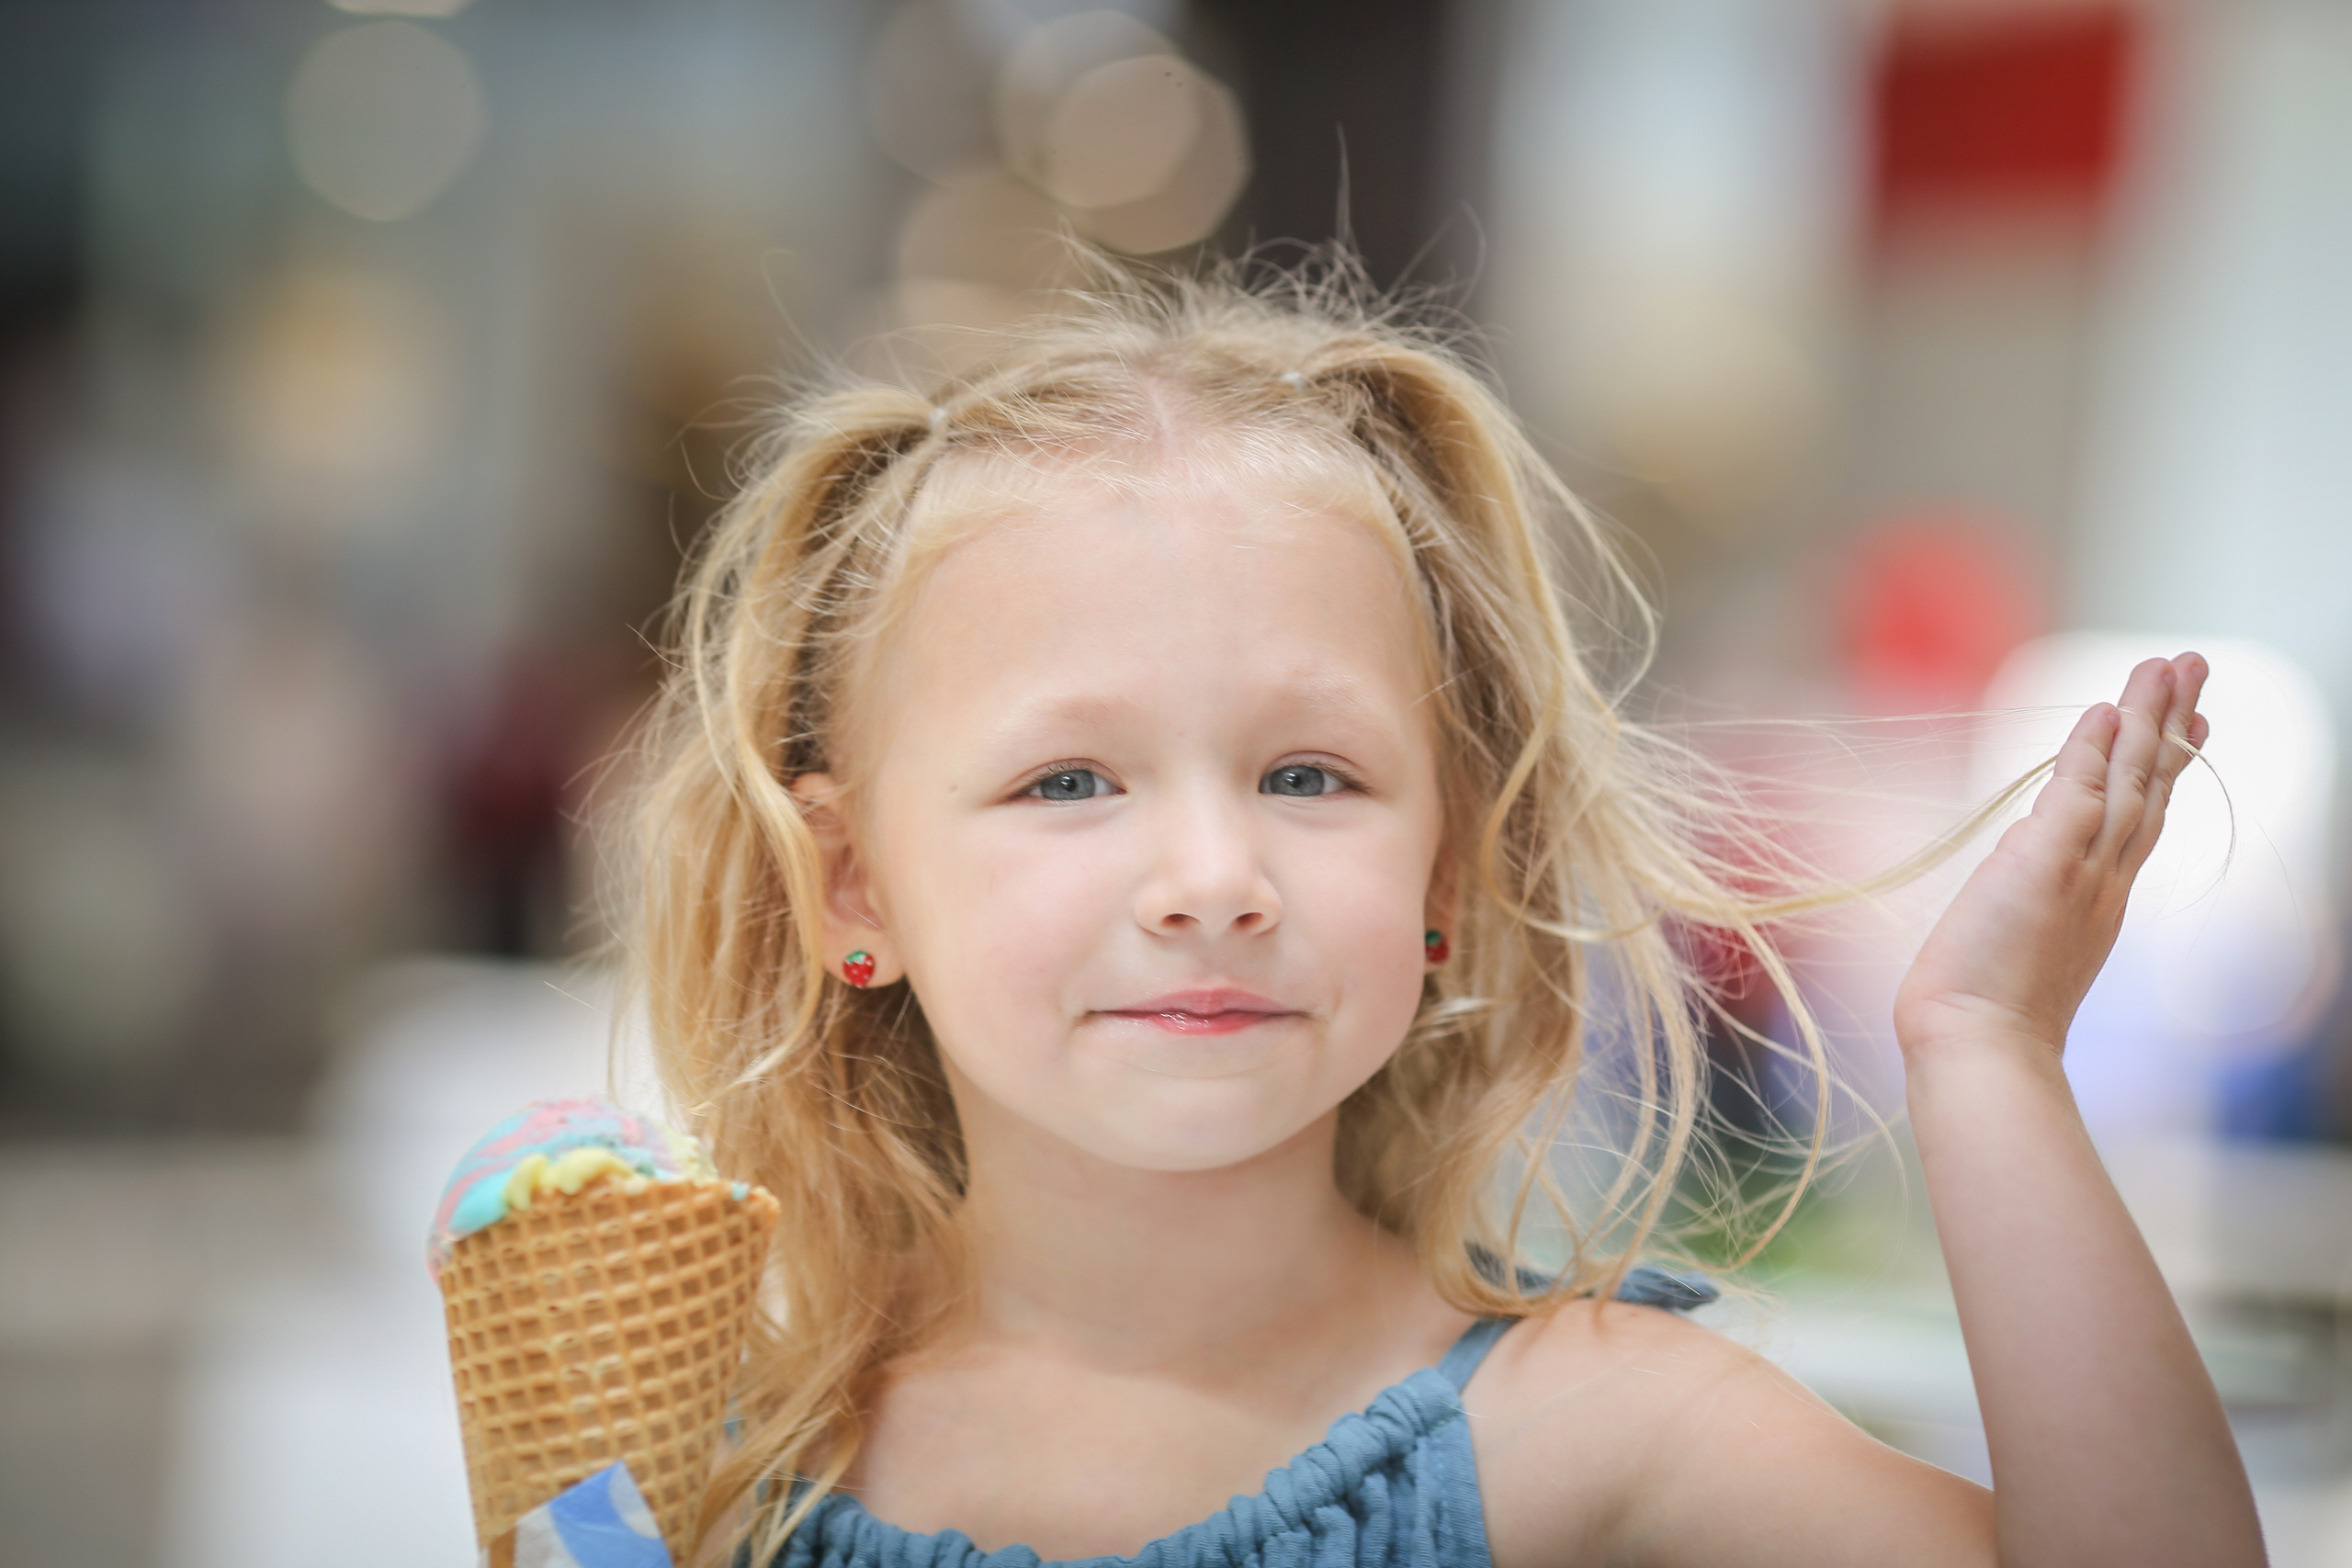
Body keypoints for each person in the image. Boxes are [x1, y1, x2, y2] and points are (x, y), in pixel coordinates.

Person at [622, 263, 2262, 1567]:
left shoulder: (1593, 1427)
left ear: (1448, 870)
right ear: (851, 883)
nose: (1214, 879)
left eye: (1311, 775)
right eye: (1068, 781)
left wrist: (1984, 1048)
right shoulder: (698, 1463)